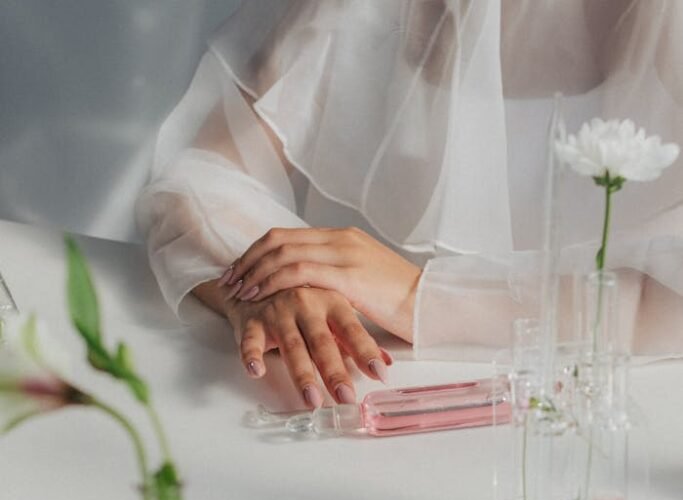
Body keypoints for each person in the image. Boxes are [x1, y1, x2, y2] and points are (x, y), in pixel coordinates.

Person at [137, 0, 683, 409]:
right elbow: (202, 174)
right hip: (356, 404)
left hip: (605, 431)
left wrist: (417, 295)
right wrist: (280, 281)